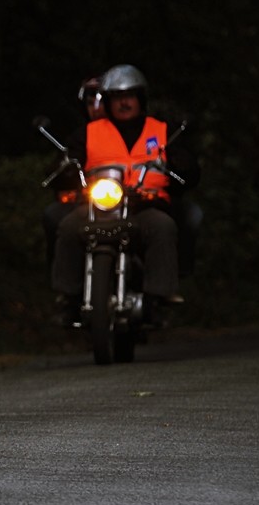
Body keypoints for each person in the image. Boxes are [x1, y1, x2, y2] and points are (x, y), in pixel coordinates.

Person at [50, 64, 201, 324]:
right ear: (107, 102)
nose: (124, 103)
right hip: (98, 207)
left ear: (141, 99)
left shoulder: (162, 130)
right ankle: (70, 298)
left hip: (145, 206)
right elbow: (65, 163)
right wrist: (65, 170)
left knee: (163, 226)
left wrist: (180, 165)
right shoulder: (89, 132)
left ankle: (158, 299)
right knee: (68, 226)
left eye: (129, 96)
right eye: (117, 97)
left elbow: (189, 170)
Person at [41, 75, 107, 273]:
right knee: (54, 215)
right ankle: (62, 278)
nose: (96, 108)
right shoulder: (81, 135)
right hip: (88, 204)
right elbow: (60, 166)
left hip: (127, 202)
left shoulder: (132, 133)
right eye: (89, 103)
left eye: (102, 102)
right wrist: (66, 171)